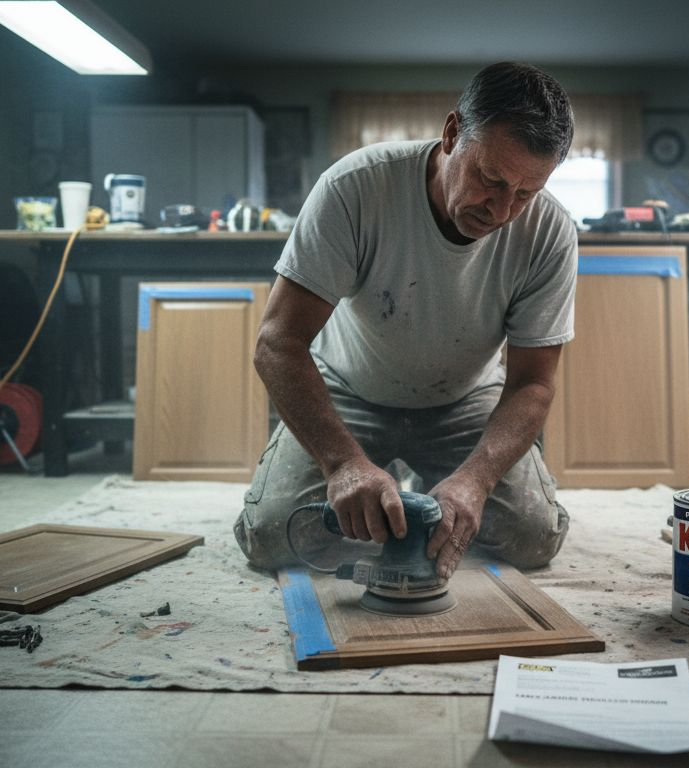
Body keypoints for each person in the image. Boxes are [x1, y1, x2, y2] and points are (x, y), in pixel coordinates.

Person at [233, 61, 578, 580]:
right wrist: (342, 464)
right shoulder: (354, 188)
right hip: (350, 392)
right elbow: (277, 343)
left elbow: (533, 383)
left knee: (533, 538)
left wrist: (477, 481)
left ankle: (419, 484)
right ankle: (379, 472)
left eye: (525, 194)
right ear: (451, 133)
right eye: (490, 179)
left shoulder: (550, 232)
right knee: (274, 536)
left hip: (466, 401)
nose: (502, 210)